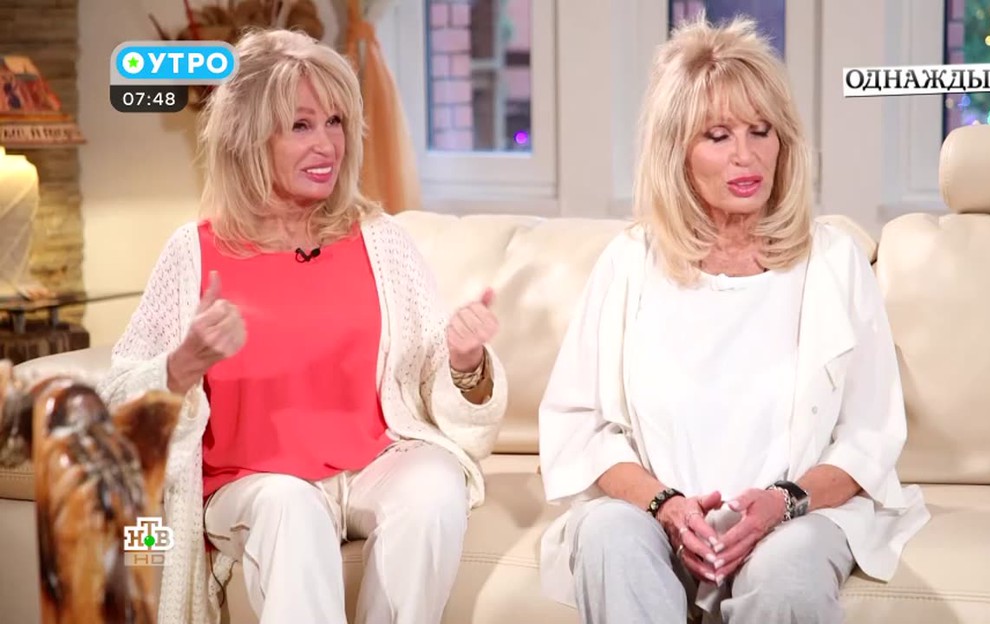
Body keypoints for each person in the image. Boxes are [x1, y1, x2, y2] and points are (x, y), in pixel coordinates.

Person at [98, 28, 508, 624]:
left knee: (433, 486)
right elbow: (117, 404)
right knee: (289, 506)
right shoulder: (193, 252)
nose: (327, 145)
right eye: (301, 125)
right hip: (254, 482)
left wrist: (465, 362)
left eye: (335, 122)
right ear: (246, 139)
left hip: (373, 464)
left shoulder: (380, 241)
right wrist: (184, 362)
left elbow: (429, 381)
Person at [537, 15, 930, 624]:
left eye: (760, 131)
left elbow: (870, 434)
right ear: (677, 153)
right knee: (610, 538)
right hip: (653, 515)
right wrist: (665, 505)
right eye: (718, 136)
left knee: (787, 578)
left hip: (796, 519)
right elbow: (580, 429)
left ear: (783, 142)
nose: (746, 156)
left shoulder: (833, 262)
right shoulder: (630, 263)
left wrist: (783, 502)